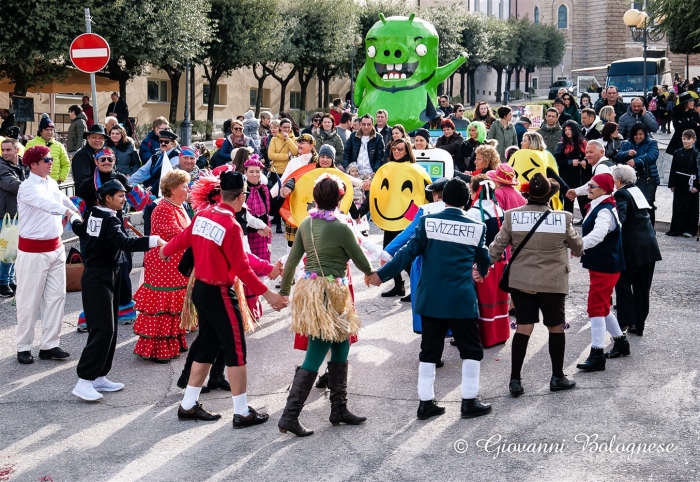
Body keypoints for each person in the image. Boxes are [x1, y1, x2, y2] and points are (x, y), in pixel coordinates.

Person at [161, 170, 287, 426]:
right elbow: (242, 268)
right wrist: (269, 295)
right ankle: (241, 412)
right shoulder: (231, 224)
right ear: (241, 197)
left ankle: (187, 405)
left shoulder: (203, 215)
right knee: (236, 351)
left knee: (207, 345)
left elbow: (183, 239)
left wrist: (165, 250)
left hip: (200, 290)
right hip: (219, 292)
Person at [368, 178, 492, 419]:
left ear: (443, 198)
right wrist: (481, 271)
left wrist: (381, 276)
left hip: (431, 298)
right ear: (468, 201)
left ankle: (426, 403)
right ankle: (469, 401)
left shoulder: (428, 222)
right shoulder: (477, 227)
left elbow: (407, 253)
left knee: (429, 351)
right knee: (471, 350)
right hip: (461, 299)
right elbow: (484, 257)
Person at [277, 175, 374, 437]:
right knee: (316, 353)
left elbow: (293, 261)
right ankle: (289, 416)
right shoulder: (342, 227)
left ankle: (339, 409)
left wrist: (285, 293)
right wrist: (373, 274)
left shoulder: (306, 223)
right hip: (330, 293)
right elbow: (360, 259)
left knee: (341, 344)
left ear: (316, 198)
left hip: (312, 290)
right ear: (341, 198)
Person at [488, 173, 583, 396]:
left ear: (527, 194)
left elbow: (496, 248)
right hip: (552, 282)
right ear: (549, 196)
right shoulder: (563, 218)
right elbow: (578, 247)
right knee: (555, 328)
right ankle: (557, 377)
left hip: (521, 282)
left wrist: (479, 268)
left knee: (523, 328)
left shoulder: (512, 216)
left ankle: (515, 380)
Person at [70, 180, 163, 400]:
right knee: (103, 329)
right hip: (98, 276)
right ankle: (84, 380)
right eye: (120, 196)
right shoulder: (109, 219)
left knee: (108, 327)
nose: (124, 199)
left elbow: (81, 230)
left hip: (105, 273)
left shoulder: (96, 213)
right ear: (108, 198)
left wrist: (73, 217)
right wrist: (153, 240)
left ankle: (99, 375)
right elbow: (125, 244)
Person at [15, 146, 80, 365]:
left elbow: (63, 201)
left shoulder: (50, 183)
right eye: (46, 159)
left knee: (56, 297)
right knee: (29, 300)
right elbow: (48, 205)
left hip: (55, 247)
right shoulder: (27, 187)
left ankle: (49, 345)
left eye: (51, 158)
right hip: (33, 251)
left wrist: (80, 213)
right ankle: (23, 346)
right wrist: (69, 213)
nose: (51, 162)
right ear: (33, 164)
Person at [133, 171, 191, 362]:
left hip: (175, 265)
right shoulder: (163, 208)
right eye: (184, 186)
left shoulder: (179, 206)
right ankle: (158, 349)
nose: (187, 189)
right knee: (163, 306)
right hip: (163, 265)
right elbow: (177, 234)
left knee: (174, 306)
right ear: (173, 189)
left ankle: (174, 341)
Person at [575, 173, 630, 372]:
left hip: (605, 265)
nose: (588, 188)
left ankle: (597, 354)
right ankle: (621, 343)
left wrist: (580, 246)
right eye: (589, 184)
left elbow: (599, 234)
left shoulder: (605, 210)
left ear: (604, 190)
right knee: (603, 305)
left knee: (596, 306)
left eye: (593, 186)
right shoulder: (602, 204)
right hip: (604, 263)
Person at [384, 177, 448, 331]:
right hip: (450, 260)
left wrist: (387, 251)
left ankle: (426, 329)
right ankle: (450, 329)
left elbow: (408, 233)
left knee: (424, 298)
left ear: (435, 194)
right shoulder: (461, 211)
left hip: (426, 260)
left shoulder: (427, 210)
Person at [612, 165, 661, 337]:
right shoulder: (636, 189)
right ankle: (638, 324)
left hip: (633, 247)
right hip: (649, 246)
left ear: (618, 180)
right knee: (642, 288)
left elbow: (621, 216)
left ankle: (626, 321)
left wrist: (612, 224)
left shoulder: (621, 194)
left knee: (622, 283)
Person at [466, 175, 509, 347]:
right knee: (499, 299)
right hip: (500, 261)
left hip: (482, 263)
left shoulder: (473, 212)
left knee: (483, 301)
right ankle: (501, 334)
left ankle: (486, 337)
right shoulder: (500, 210)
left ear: (477, 191)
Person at [615, 123, 660, 225]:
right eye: (636, 134)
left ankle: (650, 229)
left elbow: (652, 156)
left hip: (647, 178)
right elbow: (618, 156)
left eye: (641, 134)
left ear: (645, 134)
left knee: (647, 204)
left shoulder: (652, 143)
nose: (638, 137)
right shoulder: (627, 143)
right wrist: (627, 153)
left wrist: (636, 160)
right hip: (630, 179)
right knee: (632, 204)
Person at [0, 138, 26, 297]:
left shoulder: (23, 164)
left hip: (18, 212)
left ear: (17, 150)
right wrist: (32, 186)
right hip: (6, 214)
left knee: (13, 249)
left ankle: (9, 279)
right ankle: (2, 282)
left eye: (8, 150)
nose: (5, 153)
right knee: (6, 249)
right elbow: (11, 184)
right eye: (3, 150)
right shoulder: (1, 166)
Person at [130, 128, 181, 197]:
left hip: (168, 194)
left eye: (166, 142)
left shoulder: (175, 156)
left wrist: (154, 188)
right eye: (161, 141)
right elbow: (143, 171)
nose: (163, 143)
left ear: (173, 144)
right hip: (153, 191)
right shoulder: (156, 155)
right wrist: (127, 182)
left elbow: (168, 177)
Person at [667, 129, 699, 237]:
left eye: (688, 139)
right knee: (678, 207)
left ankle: (690, 229)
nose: (685, 141)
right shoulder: (677, 153)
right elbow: (673, 169)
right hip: (679, 183)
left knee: (691, 207)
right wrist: (672, 183)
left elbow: (698, 171)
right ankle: (677, 229)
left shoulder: (696, 154)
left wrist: (696, 186)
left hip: (691, 183)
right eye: (684, 139)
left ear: (694, 140)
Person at [554, 120, 587, 217]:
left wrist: (585, 161)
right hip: (567, 177)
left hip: (582, 177)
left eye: (570, 129)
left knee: (584, 202)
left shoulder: (584, 143)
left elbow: (590, 156)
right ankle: (568, 224)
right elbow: (557, 160)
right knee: (568, 202)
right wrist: (570, 162)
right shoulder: (561, 145)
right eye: (566, 130)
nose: (567, 132)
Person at [25, 115, 70, 183]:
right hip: (37, 182)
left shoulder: (59, 146)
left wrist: (61, 179)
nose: (49, 132)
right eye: (46, 129)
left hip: (55, 183)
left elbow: (66, 164)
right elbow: (26, 163)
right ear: (40, 131)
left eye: (51, 130)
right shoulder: (31, 144)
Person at [244, 157, 272, 262]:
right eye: (251, 171)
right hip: (246, 234)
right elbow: (240, 216)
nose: (254, 175)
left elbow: (272, 211)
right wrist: (257, 229)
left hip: (263, 234)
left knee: (262, 269)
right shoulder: (241, 190)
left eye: (257, 171)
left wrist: (282, 196)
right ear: (245, 172)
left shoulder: (264, 189)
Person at [71, 124, 109, 189]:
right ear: (88, 138)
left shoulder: (100, 153)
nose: (97, 140)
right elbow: (82, 180)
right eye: (94, 137)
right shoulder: (83, 154)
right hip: (88, 196)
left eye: (100, 138)